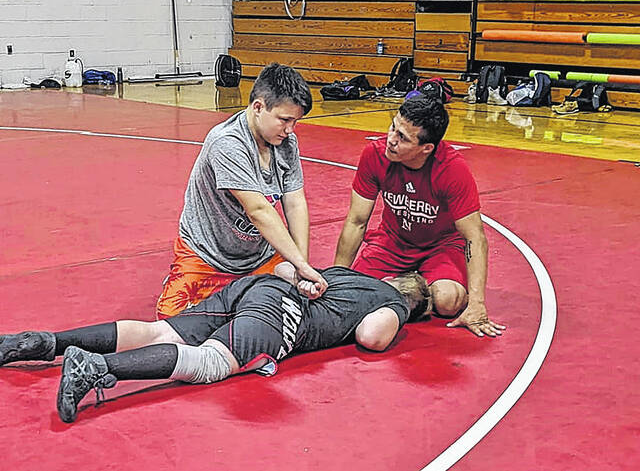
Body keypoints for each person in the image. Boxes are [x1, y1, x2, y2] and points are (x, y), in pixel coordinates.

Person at [0, 266, 431, 424]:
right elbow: (371, 338)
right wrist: (399, 320)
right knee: (208, 362)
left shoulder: (345, 273)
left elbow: (286, 270)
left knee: (161, 330)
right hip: (282, 319)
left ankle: (40, 343)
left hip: (255, 286)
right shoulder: (393, 303)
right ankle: (94, 369)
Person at [156, 62, 328, 319]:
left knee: (299, 306)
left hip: (259, 255)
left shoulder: (286, 143)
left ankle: (253, 283)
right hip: (208, 254)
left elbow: (295, 202)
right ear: (258, 107)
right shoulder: (227, 143)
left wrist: (299, 264)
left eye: (295, 121)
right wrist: (301, 266)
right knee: (171, 319)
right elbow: (258, 210)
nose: (290, 129)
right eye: (284, 120)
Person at [333, 96, 505, 338]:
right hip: (392, 242)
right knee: (352, 292)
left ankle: (408, 288)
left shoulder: (452, 169)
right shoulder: (374, 154)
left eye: (403, 137)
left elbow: (474, 236)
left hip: (441, 246)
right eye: (393, 127)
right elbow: (356, 221)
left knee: (448, 301)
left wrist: (477, 303)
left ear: (426, 148)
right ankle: (411, 288)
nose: (391, 140)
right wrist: (337, 277)